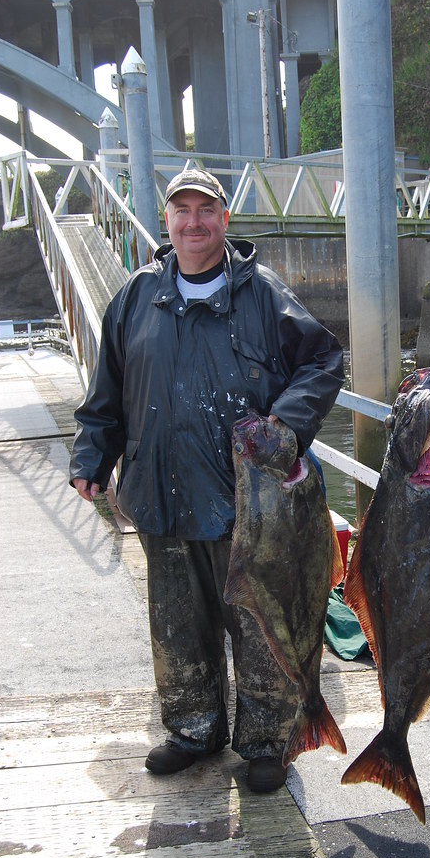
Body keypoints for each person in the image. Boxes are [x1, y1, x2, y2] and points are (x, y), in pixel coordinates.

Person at [69, 167, 344, 793]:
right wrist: (92, 456)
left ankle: (267, 740)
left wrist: (286, 424)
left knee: (259, 622)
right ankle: (193, 728)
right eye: (182, 210)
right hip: (160, 495)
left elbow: (325, 361)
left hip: (248, 505)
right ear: (166, 219)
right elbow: (106, 390)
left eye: (207, 210)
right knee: (176, 623)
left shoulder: (264, 293)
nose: (194, 222)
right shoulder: (136, 296)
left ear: (225, 219)